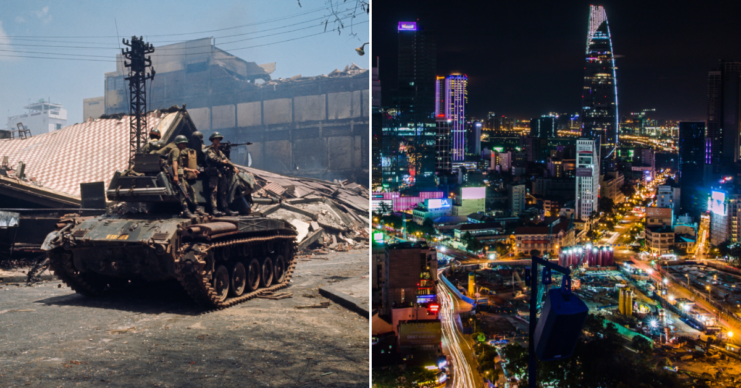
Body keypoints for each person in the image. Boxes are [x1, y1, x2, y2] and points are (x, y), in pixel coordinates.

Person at [205, 132, 239, 216]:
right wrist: (222, 161)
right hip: (213, 173)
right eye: (216, 139)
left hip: (221, 173)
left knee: (223, 192)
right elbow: (213, 158)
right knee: (214, 191)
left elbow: (226, 160)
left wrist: (233, 167)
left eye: (219, 139)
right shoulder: (209, 150)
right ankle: (214, 209)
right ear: (212, 140)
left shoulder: (219, 151)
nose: (218, 140)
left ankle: (226, 208)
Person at [169, 135, 203, 218]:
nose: (185, 145)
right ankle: (186, 211)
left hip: (181, 175)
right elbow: (174, 163)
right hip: (178, 176)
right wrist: (176, 176)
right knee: (183, 193)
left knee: (191, 190)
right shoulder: (176, 150)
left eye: (185, 143)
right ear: (178, 143)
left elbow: (181, 167)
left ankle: (197, 208)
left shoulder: (179, 151)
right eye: (183, 143)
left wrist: (192, 170)